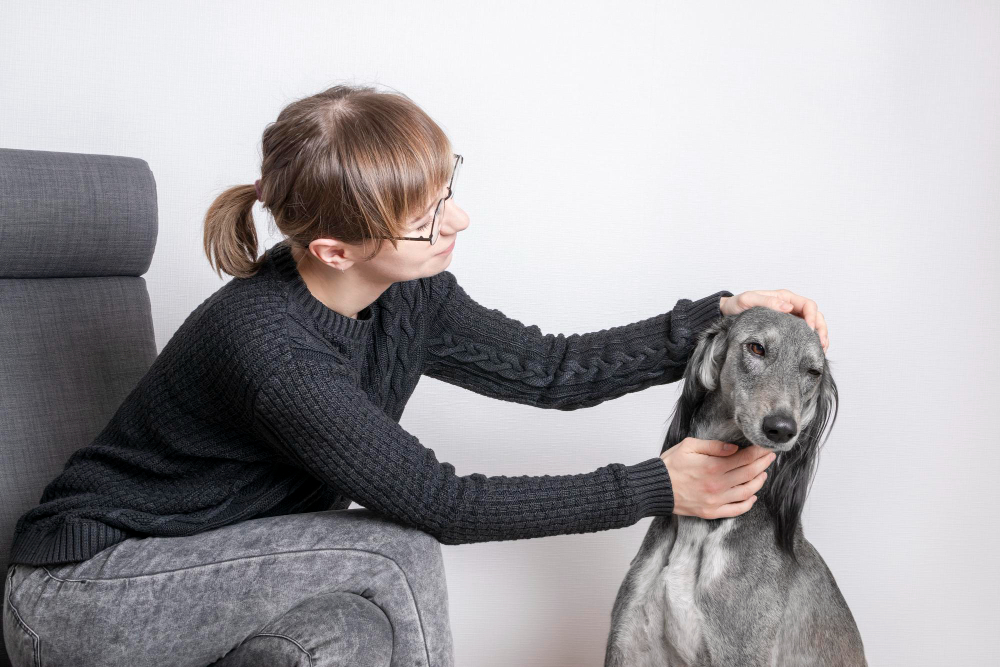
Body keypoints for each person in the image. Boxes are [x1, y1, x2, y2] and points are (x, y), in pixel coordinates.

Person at [3, 83, 830, 667]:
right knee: (395, 551)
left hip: (212, 568)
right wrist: (656, 485)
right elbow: (444, 506)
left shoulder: (409, 293)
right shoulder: (269, 348)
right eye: (425, 215)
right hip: (81, 599)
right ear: (334, 249)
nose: (457, 218)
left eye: (446, 187)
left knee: (354, 638)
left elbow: (550, 369)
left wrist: (717, 315)